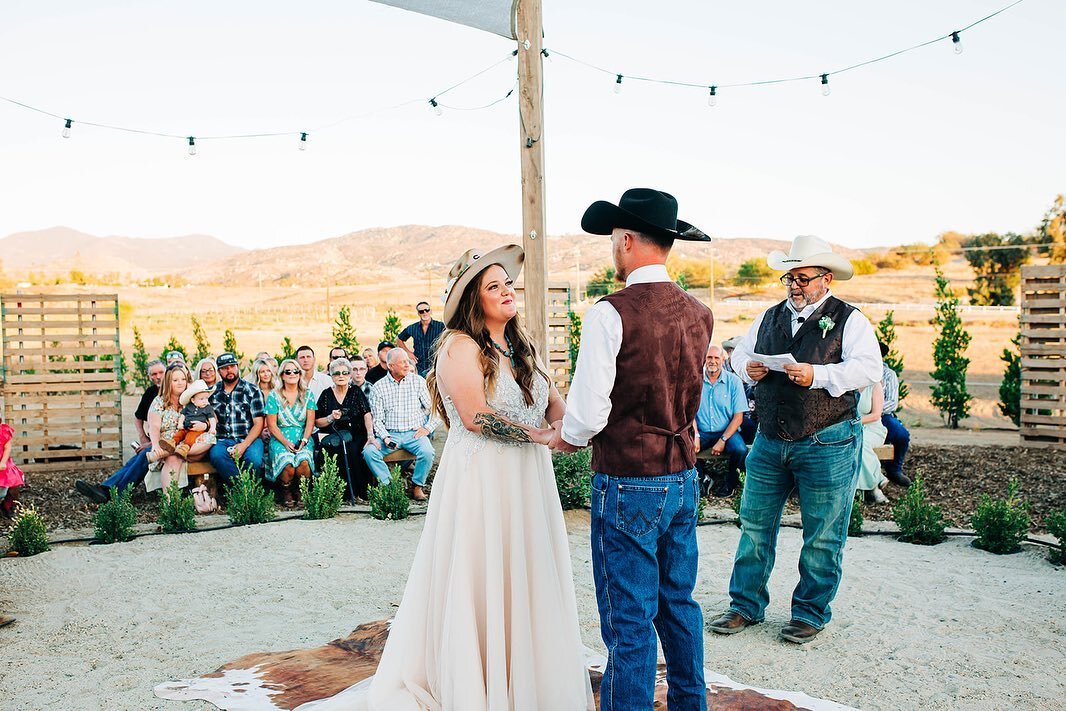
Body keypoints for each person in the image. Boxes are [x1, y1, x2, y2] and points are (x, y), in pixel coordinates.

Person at [301, 245, 594, 711]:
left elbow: (552, 399)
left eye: (507, 284)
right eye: (492, 287)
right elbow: (476, 416)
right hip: (483, 478)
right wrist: (541, 435)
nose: (505, 292)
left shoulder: (522, 346)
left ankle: (519, 672)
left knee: (524, 569)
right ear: (474, 301)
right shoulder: (460, 346)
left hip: (527, 478)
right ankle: (477, 681)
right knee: (480, 572)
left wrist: (576, 428)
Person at [553, 188, 713, 710]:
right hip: (683, 475)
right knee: (679, 605)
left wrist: (562, 438)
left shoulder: (611, 312)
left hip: (628, 478)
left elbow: (587, 414)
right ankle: (692, 704)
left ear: (625, 241)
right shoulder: (699, 312)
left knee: (630, 620)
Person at [710, 234, 881, 645]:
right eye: (790, 279)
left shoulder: (849, 319)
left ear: (826, 279)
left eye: (803, 278)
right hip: (769, 439)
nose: (795, 286)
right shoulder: (768, 317)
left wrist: (818, 375)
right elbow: (738, 354)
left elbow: (869, 369)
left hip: (827, 440)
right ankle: (745, 606)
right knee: (753, 525)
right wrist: (745, 366)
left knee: (822, 532)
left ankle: (809, 612)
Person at [362, 349, 437, 501]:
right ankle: (390, 487)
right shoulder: (379, 387)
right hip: (390, 434)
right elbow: (377, 419)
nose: (407, 364)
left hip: (414, 433)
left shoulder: (418, 381)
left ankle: (417, 486)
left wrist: (427, 428)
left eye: (407, 361)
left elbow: (434, 409)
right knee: (369, 452)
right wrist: (385, 437)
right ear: (390, 366)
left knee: (428, 452)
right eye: (402, 362)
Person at [315, 357, 374, 502]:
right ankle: (337, 493)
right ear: (331, 376)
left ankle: (359, 492)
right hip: (333, 434)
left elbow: (367, 414)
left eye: (345, 372)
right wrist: (330, 417)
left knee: (354, 450)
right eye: (336, 373)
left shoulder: (356, 392)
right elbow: (317, 421)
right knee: (331, 450)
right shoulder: (326, 394)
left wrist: (370, 434)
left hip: (356, 434)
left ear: (349, 375)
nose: (341, 376)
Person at [696, 344, 748, 497]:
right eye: (709, 357)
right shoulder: (696, 381)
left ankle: (731, 481)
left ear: (723, 359)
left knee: (740, 450)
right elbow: (689, 413)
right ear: (704, 359)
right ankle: (702, 478)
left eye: (716, 358)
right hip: (702, 431)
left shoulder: (733, 382)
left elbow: (739, 417)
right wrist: (695, 436)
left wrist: (723, 439)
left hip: (727, 431)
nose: (712, 361)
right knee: (683, 448)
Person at [207, 352, 266, 483]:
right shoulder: (211, 393)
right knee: (217, 456)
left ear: (237, 367)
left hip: (249, 437)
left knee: (254, 459)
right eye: (224, 368)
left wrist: (243, 445)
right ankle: (242, 489)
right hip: (222, 439)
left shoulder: (252, 390)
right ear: (219, 371)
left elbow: (259, 423)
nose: (229, 370)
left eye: (232, 366)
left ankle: (248, 491)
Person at [265, 359, 316, 507]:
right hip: (280, 437)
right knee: (287, 462)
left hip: (302, 436)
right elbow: (272, 425)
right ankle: (286, 490)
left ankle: (300, 490)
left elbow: (310, 422)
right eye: (288, 371)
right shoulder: (274, 396)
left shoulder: (308, 394)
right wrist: (285, 442)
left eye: (296, 371)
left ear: (300, 374)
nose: (292, 374)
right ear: (282, 375)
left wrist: (305, 440)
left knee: (303, 460)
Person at [145, 366, 193, 492]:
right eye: (175, 380)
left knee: (177, 454)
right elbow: (154, 426)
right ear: (168, 382)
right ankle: (169, 503)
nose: (180, 382)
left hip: (189, 443)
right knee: (173, 458)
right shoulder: (159, 402)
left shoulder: (192, 400)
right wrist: (155, 445)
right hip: (167, 442)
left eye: (183, 379)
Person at [879, 342, 912, 487]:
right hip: (858, 413)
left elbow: (892, 403)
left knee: (902, 435)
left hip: (883, 414)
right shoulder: (859, 371)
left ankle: (894, 469)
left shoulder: (888, 374)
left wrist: (874, 410)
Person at [160, 379, 217, 459]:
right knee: (179, 434)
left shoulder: (208, 408)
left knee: (190, 437)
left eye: (206, 398)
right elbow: (183, 415)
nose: (205, 401)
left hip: (197, 429)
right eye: (201, 399)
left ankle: (185, 447)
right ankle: (172, 442)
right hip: (186, 426)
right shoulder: (189, 407)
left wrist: (212, 428)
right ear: (193, 400)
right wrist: (180, 424)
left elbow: (212, 419)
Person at [856, 381, 889, 504]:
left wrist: (854, 422)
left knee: (861, 443)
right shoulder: (848, 384)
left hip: (872, 429)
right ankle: (878, 478)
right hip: (852, 429)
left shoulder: (875, 385)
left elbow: (876, 415)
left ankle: (874, 488)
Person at [397, 301, 446, 377]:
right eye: (421, 311)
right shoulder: (413, 328)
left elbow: (449, 336)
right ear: (418, 313)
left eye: (427, 310)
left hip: (436, 366)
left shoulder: (440, 326)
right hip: (419, 366)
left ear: (430, 311)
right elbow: (399, 339)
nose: (424, 313)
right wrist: (408, 353)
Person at [132, 359, 166, 452]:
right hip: (153, 439)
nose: (158, 377)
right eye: (154, 374)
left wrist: (150, 444)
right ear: (149, 377)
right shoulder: (150, 392)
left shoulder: (175, 391)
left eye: (161, 372)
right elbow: (138, 417)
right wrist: (142, 437)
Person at [0, 418, 26, 518]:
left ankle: (8, 505)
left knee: (13, 481)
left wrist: (3, 462)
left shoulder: (3, 431)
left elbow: (7, 448)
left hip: (3, 463)